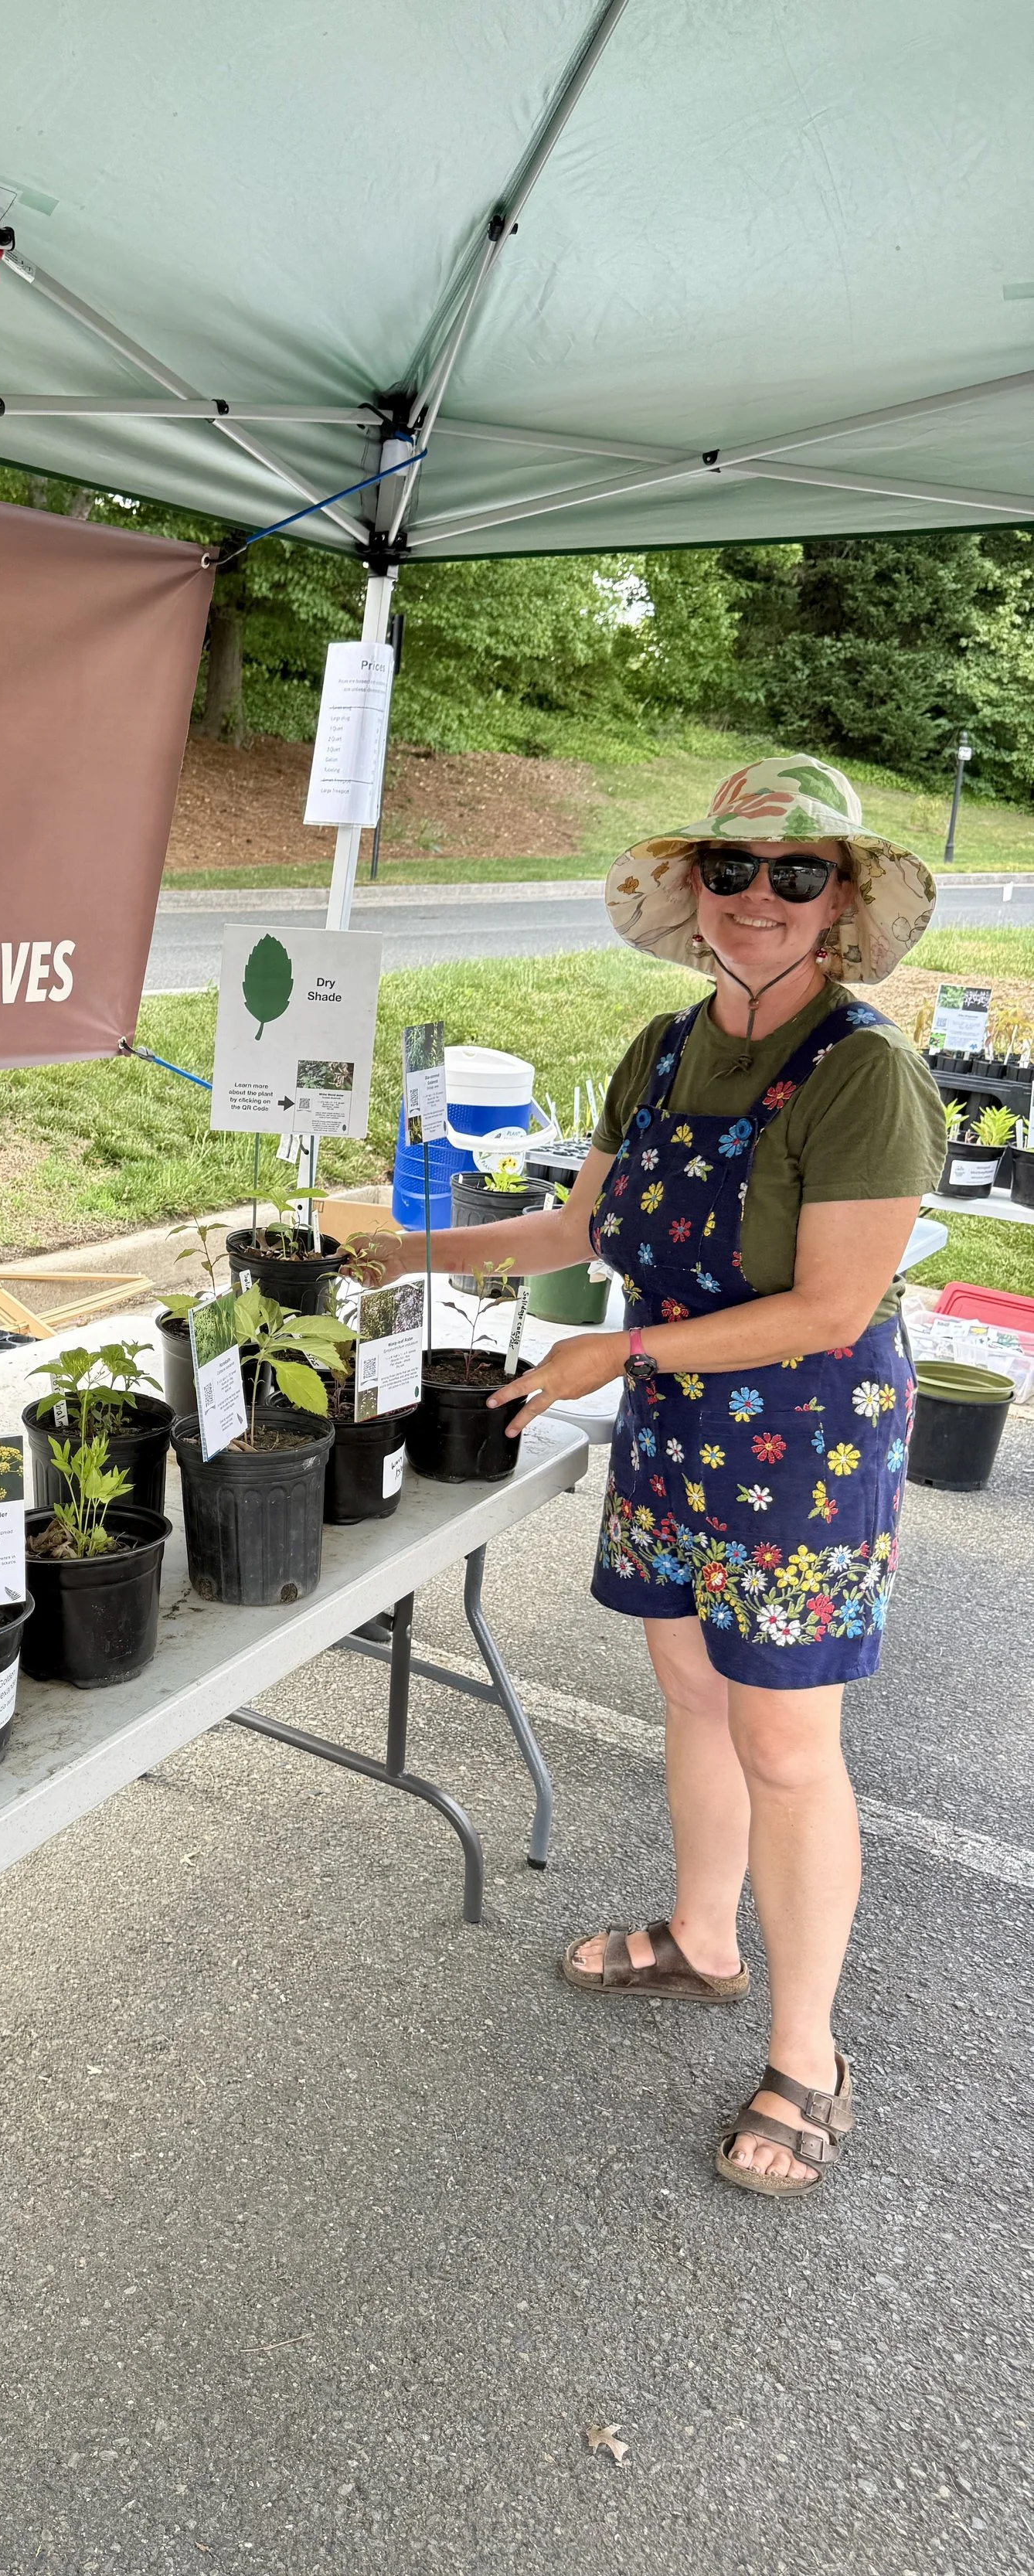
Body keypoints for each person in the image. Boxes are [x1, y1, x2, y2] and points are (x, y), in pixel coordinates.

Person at [360, 754, 943, 2198]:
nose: (759, 897)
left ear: (845, 900)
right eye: (732, 870)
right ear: (692, 890)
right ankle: (702, 1936)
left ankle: (809, 2056)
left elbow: (827, 1310)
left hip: (803, 1442)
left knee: (792, 1749)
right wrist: (400, 1248)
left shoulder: (869, 1073)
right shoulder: (660, 1049)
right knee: (689, 1694)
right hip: (683, 1420)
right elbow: (575, 1231)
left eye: (797, 874)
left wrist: (617, 1358)